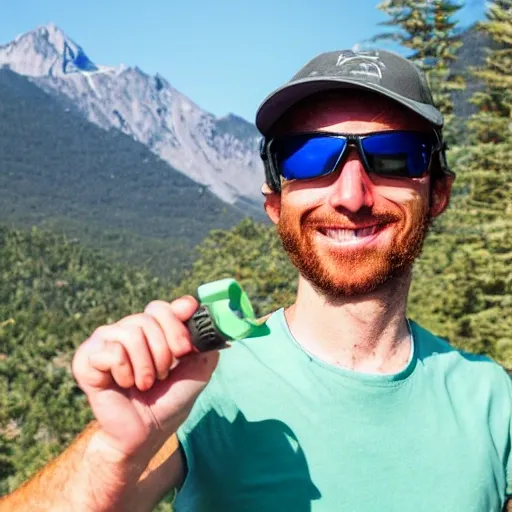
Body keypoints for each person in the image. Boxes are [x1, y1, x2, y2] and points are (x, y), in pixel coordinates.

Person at [1, 49, 511, 512]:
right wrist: (114, 453)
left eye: (394, 155)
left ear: (438, 193)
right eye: (309, 156)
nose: (351, 195)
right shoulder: (199, 383)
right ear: (274, 203)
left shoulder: (493, 401)